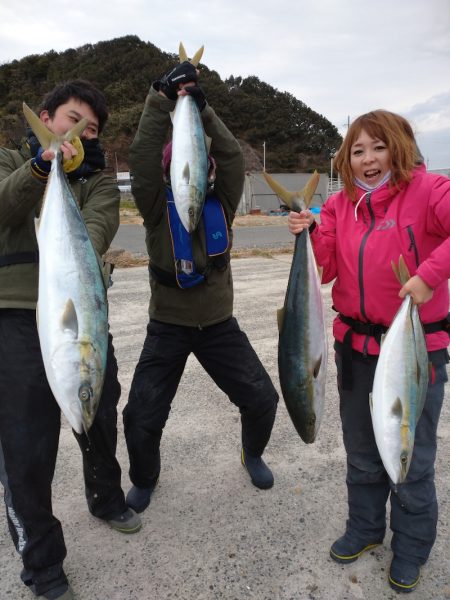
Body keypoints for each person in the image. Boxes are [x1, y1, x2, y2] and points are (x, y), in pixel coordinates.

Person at [288, 109, 449, 594]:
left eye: (378, 147)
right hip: (354, 350)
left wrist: (428, 276)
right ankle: (364, 529)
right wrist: (310, 233)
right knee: (362, 452)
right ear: (346, 159)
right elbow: (329, 268)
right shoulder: (340, 206)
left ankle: (413, 547)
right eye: (357, 150)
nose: (368, 159)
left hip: (414, 349)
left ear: (399, 146)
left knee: (409, 455)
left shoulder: (430, 191)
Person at [0, 80, 141, 600]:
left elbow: (100, 231)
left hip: (79, 315)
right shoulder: (7, 159)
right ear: (45, 117)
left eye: (91, 127)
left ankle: (106, 498)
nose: (79, 130)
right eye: (71, 118)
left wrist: (68, 171)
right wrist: (40, 166)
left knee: (100, 412)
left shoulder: (98, 183)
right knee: (25, 444)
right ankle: (42, 563)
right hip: (16, 315)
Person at [123, 60, 279, 514]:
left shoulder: (223, 202)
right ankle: (145, 477)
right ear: (171, 174)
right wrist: (160, 99)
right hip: (166, 325)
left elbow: (230, 156)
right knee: (140, 417)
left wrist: (203, 109)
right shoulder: (154, 205)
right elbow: (141, 155)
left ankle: (252, 453)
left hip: (217, 325)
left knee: (262, 399)